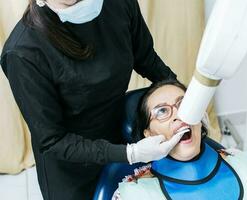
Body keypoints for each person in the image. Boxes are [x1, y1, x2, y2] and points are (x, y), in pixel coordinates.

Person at [0, 0, 185, 199]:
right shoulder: (23, 53)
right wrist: (130, 154)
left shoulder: (119, 5)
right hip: (71, 164)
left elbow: (146, 58)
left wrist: (186, 99)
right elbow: (53, 140)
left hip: (119, 131)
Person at [113, 79, 247, 200]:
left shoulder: (246, 164)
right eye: (162, 111)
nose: (179, 115)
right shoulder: (135, 194)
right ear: (148, 134)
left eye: (184, 104)